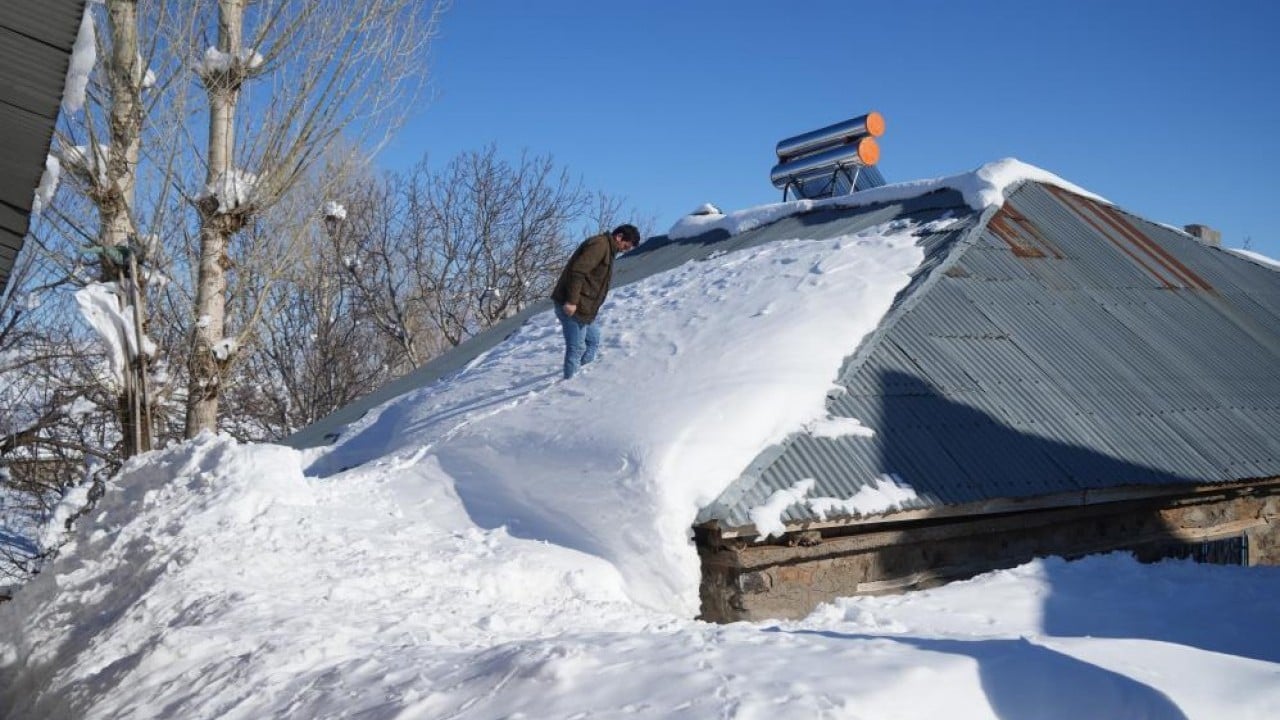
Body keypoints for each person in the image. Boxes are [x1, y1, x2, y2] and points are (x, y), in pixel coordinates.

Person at [550, 224, 641, 379]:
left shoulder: (608, 250)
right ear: (619, 237)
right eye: (626, 246)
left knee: (593, 340)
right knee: (576, 348)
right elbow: (577, 272)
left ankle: (582, 376)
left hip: (585, 309)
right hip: (574, 305)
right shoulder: (600, 245)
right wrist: (571, 301)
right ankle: (570, 383)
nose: (625, 250)